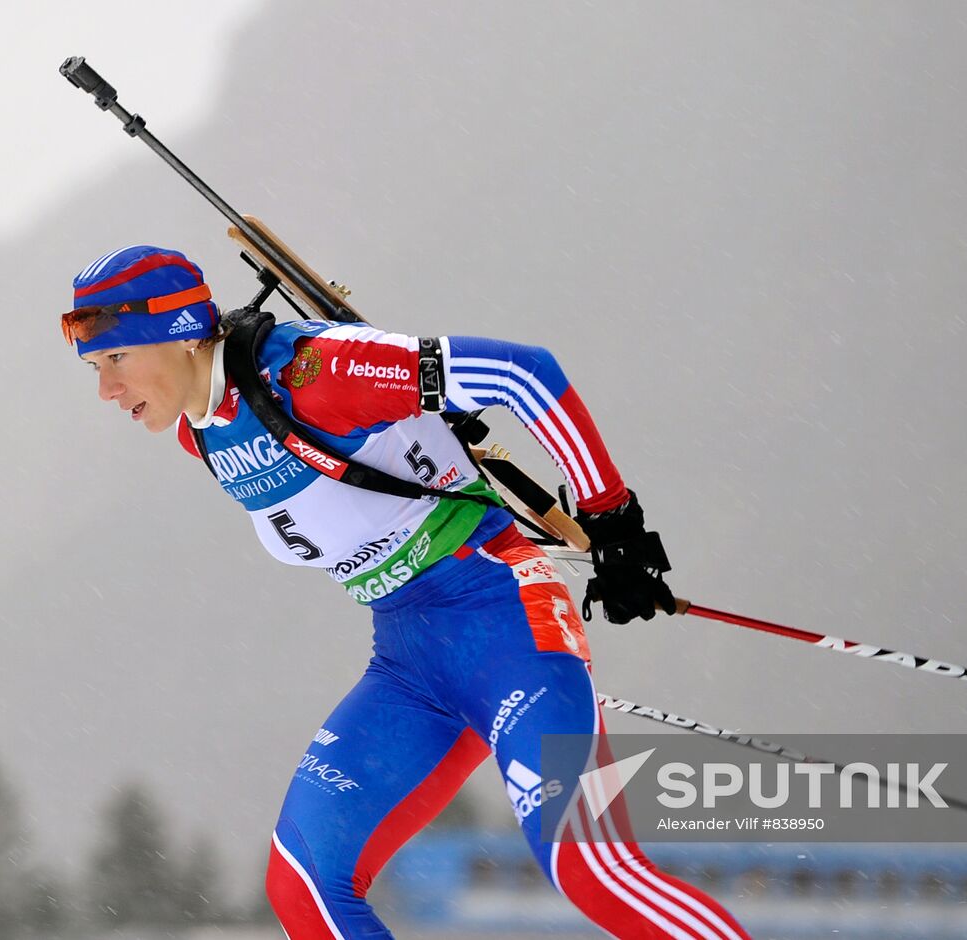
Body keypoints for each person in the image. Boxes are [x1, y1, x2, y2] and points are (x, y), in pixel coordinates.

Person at [63, 244, 750, 940]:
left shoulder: (316, 372)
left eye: (116, 360)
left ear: (181, 331)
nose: (106, 390)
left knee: (587, 866)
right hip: (408, 663)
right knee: (305, 886)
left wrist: (611, 520)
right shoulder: (201, 432)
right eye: (95, 369)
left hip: (505, 621)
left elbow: (523, 373)